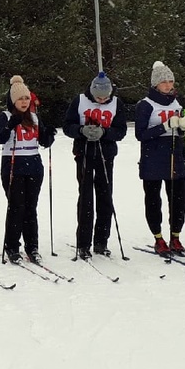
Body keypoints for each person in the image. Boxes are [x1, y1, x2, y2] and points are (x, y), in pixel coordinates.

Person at [63, 71, 128, 259]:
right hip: (84, 153)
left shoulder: (117, 103)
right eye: (98, 96)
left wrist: (105, 133)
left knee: (105, 197)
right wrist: (82, 130)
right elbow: (68, 126)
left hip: (106, 155)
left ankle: (101, 241)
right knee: (85, 198)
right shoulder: (80, 100)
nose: (101, 100)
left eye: (105, 96)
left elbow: (121, 131)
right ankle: (83, 243)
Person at [0, 75, 55, 263]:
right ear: (13, 100)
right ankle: (12, 246)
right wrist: (10, 125)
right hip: (13, 165)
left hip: (34, 166)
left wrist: (49, 134)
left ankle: (32, 246)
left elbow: (44, 141)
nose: (24, 101)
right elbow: (0, 138)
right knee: (16, 207)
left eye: (26, 98)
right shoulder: (5, 116)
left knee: (31, 208)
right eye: (20, 98)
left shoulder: (35, 117)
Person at [135, 61, 185, 255]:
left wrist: (184, 127)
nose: (168, 85)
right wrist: (165, 126)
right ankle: (158, 238)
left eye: (170, 81)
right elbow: (140, 134)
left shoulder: (177, 102)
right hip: (153, 157)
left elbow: (182, 126)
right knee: (153, 200)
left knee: (179, 199)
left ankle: (175, 236)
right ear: (155, 84)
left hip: (174, 156)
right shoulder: (146, 104)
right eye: (164, 81)